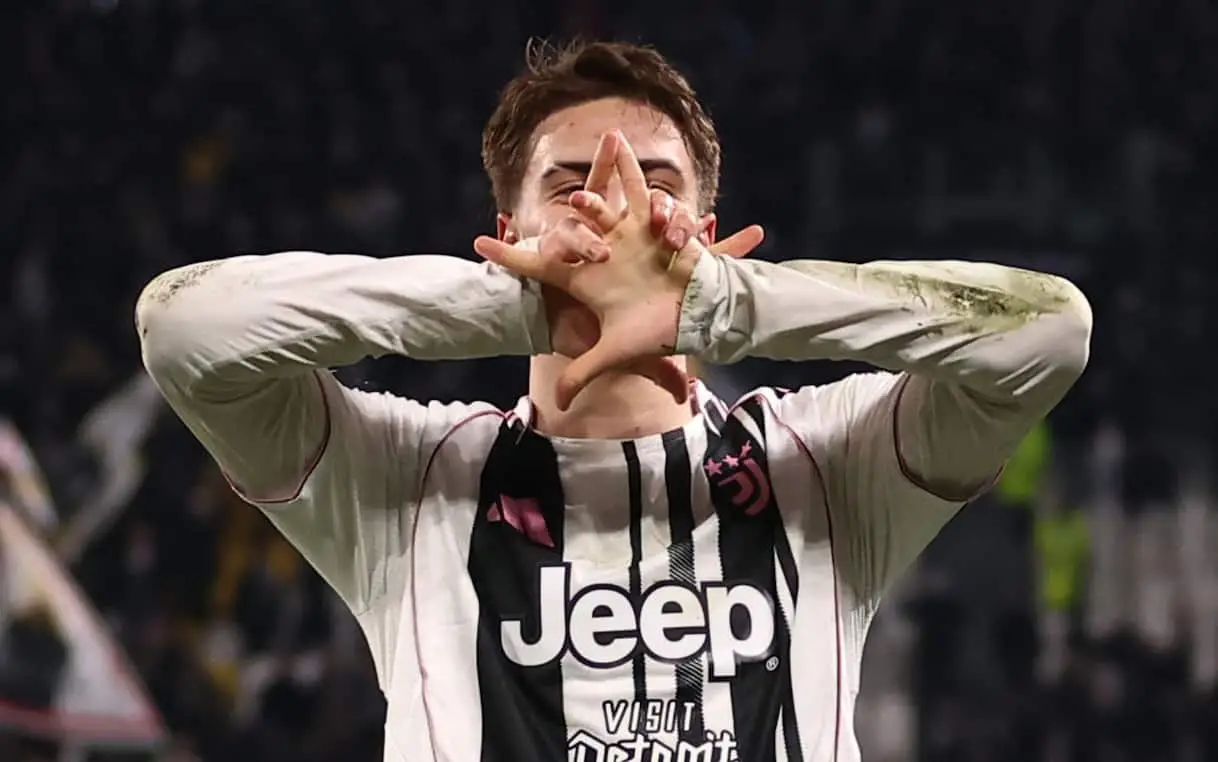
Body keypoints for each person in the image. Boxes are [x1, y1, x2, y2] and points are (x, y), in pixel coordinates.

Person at [136, 39, 1092, 762]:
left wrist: (718, 304)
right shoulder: (406, 479)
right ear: (506, 232)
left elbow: (1046, 333)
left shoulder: (825, 464)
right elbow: (185, 327)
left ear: (706, 236)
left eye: (655, 185)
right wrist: (519, 302)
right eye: (572, 186)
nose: (617, 207)